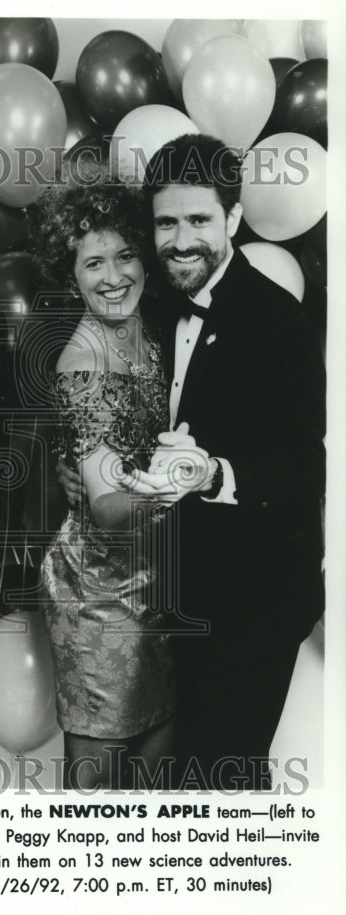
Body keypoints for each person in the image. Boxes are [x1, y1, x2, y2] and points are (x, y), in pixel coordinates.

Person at [60, 134, 325, 790]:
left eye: (199, 220)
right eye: (166, 222)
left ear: (232, 219)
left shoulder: (277, 324)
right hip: (164, 586)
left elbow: (302, 469)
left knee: (218, 779)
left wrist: (209, 473)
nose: (180, 241)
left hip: (255, 595)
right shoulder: (144, 302)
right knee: (158, 780)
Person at [28, 167, 177, 790]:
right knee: (94, 799)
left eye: (125, 256)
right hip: (98, 591)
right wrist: (182, 490)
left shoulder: (159, 327)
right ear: (72, 274)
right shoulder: (81, 364)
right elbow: (111, 507)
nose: (114, 276)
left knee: (161, 781)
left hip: (165, 577)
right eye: (94, 264)